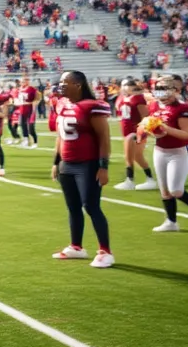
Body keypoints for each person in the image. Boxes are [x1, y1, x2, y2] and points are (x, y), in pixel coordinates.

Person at [51, 70, 115, 268]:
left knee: (91, 206)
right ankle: (76, 247)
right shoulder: (62, 104)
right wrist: (56, 162)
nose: (61, 85)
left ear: (78, 85)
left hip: (87, 164)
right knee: (73, 207)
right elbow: (60, 136)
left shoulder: (92, 106)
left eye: (65, 82)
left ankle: (105, 251)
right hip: (66, 164)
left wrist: (103, 166)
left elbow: (104, 138)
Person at [137, 74, 188, 234]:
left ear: (176, 91)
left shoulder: (184, 109)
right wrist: (145, 129)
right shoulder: (156, 105)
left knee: (176, 190)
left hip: (179, 152)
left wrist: (165, 128)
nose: (163, 98)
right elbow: (150, 125)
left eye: (166, 93)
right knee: (164, 191)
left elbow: (187, 134)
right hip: (160, 151)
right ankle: (171, 221)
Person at [112, 79, 156, 191]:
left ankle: (129, 180)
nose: (123, 87)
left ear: (132, 86)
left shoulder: (138, 98)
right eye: (122, 85)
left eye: (126, 85)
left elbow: (145, 116)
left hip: (135, 131)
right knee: (137, 156)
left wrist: (142, 131)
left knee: (129, 156)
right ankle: (150, 179)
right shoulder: (121, 97)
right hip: (126, 130)